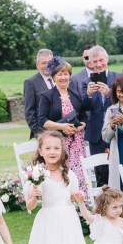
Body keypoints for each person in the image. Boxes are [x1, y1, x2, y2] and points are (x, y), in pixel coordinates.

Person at [37, 57, 88, 193]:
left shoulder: (76, 95)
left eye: (66, 74)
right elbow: (42, 121)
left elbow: (83, 117)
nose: (63, 77)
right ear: (54, 77)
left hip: (76, 143)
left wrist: (80, 126)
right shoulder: (47, 96)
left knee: (79, 174)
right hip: (58, 143)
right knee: (62, 174)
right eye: (60, 74)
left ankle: (81, 203)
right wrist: (62, 127)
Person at [82, 45, 123, 186]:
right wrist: (88, 94)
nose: (99, 64)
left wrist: (109, 94)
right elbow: (83, 107)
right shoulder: (86, 82)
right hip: (96, 136)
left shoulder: (118, 77)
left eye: (101, 60)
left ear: (107, 59)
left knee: (118, 169)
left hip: (116, 132)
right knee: (100, 174)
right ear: (90, 63)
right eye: (95, 62)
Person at [23, 49, 54, 138]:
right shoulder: (30, 82)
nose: (47, 66)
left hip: (62, 130)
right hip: (43, 133)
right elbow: (29, 111)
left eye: (49, 62)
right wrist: (39, 133)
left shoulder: (59, 79)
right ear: (37, 65)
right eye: (43, 63)